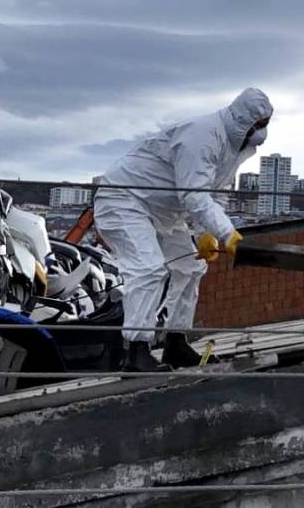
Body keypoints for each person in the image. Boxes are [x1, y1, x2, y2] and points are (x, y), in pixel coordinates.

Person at [94, 87, 273, 371]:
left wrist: (206, 234)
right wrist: (227, 234)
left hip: (165, 211)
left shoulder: (232, 146)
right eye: (259, 125)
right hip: (125, 199)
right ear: (244, 120)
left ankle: (175, 343)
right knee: (148, 269)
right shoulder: (203, 136)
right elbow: (194, 196)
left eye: (265, 125)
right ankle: (135, 353)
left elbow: (217, 194)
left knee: (191, 268)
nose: (262, 132)